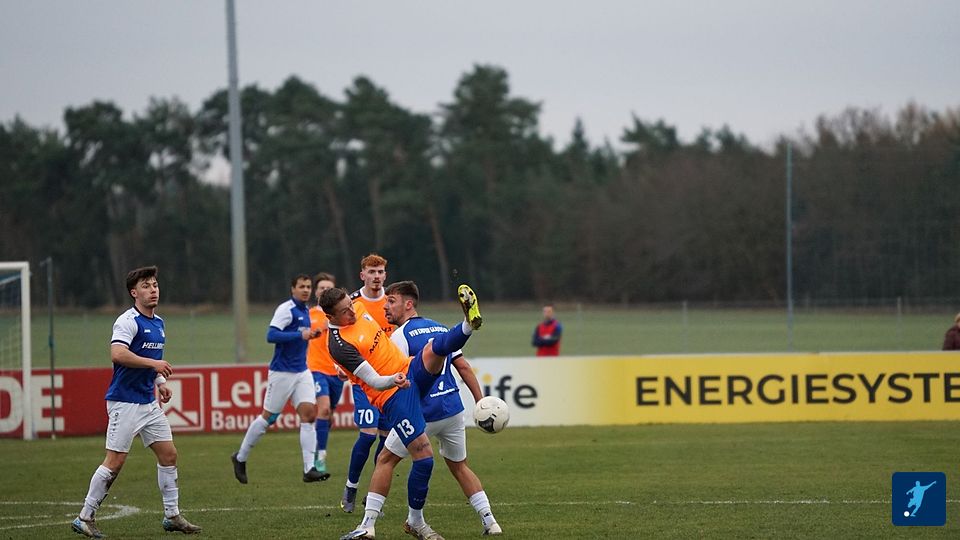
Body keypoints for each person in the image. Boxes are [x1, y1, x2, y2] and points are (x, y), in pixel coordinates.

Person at [319, 283, 483, 540]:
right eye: (344, 311)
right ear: (331, 316)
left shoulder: (356, 305)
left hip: (408, 369)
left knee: (434, 348)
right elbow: (373, 381)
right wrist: (392, 380)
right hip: (392, 394)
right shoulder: (339, 345)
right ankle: (391, 524)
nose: (352, 311)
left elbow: (368, 292)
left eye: (350, 305)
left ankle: (468, 325)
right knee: (424, 457)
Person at [71, 266, 201, 538]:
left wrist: (160, 383)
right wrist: (154, 365)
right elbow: (118, 354)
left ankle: (172, 516)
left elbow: (151, 362)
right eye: (146, 286)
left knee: (169, 455)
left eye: (155, 285)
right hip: (124, 402)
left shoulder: (159, 323)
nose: (153, 290)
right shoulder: (127, 321)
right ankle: (85, 517)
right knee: (115, 461)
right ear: (134, 293)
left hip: (147, 403)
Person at [382, 281, 502, 536]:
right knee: (460, 467)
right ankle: (490, 521)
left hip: (423, 412)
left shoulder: (400, 336)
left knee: (385, 459)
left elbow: (398, 376)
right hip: (453, 409)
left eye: (391, 301)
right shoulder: (440, 328)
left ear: (408, 304)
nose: (386, 307)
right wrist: (480, 402)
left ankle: (377, 520)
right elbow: (463, 366)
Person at [231, 273, 327, 484]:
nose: (306, 290)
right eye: (301, 286)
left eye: (308, 286)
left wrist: (312, 335)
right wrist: (300, 335)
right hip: (282, 372)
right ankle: (240, 457)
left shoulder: (305, 311)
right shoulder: (286, 309)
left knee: (309, 414)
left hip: (302, 371)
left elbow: (302, 335)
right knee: (268, 418)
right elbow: (271, 335)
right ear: (293, 289)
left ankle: (309, 469)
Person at [340, 253, 396, 513]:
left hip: (390, 379)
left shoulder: (393, 302)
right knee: (367, 434)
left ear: (385, 275)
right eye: (372, 272)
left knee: (386, 440)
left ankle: (373, 496)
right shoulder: (352, 303)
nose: (377, 276)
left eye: (380, 271)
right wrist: (340, 365)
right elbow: (338, 335)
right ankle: (351, 486)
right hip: (363, 380)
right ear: (362, 274)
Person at [306, 272, 344, 477]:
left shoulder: (341, 316)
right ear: (316, 291)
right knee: (324, 409)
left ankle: (315, 447)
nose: (324, 291)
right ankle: (320, 458)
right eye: (321, 288)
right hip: (316, 369)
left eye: (328, 288)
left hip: (336, 371)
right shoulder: (309, 315)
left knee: (328, 416)